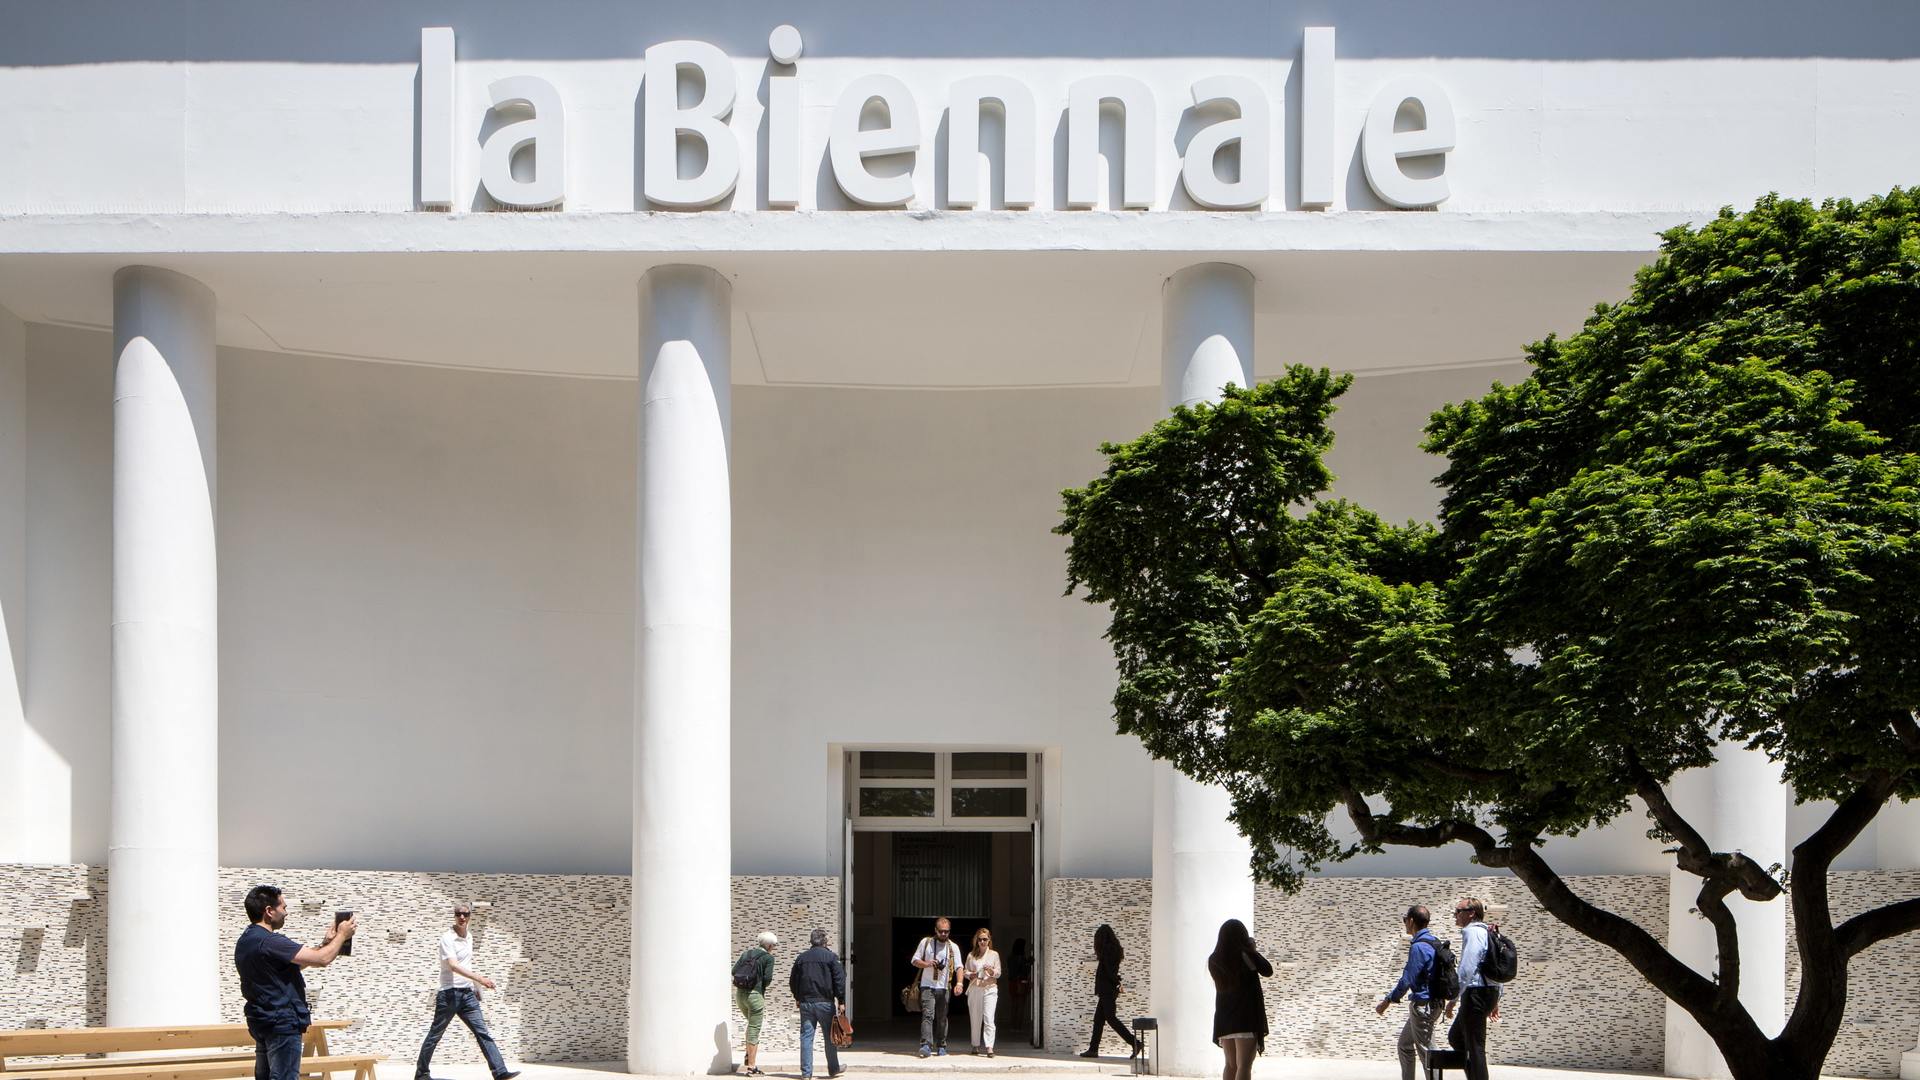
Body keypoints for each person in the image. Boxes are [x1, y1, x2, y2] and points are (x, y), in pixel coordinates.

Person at [234, 885, 356, 1080]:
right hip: (282, 1023)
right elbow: (322, 960)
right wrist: (342, 935)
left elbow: (294, 965)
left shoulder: (246, 940)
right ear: (269, 911)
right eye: (283, 907)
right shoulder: (271, 941)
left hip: (262, 1021)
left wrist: (325, 943)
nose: (286, 912)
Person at [415, 902, 520, 1080]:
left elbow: (466, 965)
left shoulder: (469, 937)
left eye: (465, 914)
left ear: (470, 916)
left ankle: (500, 1071)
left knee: (482, 1032)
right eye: (458, 914)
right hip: (449, 994)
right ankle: (421, 1073)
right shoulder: (447, 938)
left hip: (467, 994)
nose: (462, 917)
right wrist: (480, 979)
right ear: (454, 916)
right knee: (435, 1035)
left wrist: (476, 988)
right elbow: (454, 966)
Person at [1375, 905, 1439, 1080]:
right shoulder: (1434, 942)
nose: (1404, 924)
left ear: (1411, 921)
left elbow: (1407, 979)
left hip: (1422, 1006)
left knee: (1427, 1053)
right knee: (1404, 1045)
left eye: (1405, 920)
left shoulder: (1418, 947)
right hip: (1432, 1004)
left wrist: (1387, 1001)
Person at [1207, 919, 1272, 1080]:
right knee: (1244, 1065)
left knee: (1230, 1065)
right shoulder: (1246, 955)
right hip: (1245, 1018)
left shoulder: (1214, 959)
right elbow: (1267, 970)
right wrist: (1252, 950)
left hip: (1224, 1019)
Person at [1444, 897, 1498, 1080]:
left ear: (1471, 913)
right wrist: (1496, 997)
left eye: (1458, 912)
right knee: (1456, 1038)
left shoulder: (1472, 932)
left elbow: (1467, 968)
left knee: (1475, 1047)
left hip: (1475, 994)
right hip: (1486, 992)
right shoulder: (1489, 932)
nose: (1455, 916)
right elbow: (1493, 965)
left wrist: (1453, 999)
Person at [789, 927, 847, 1080]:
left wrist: (797, 997)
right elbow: (839, 980)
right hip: (825, 1003)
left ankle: (806, 1073)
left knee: (806, 1037)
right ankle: (833, 1069)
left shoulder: (801, 958)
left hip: (806, 1003)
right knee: (830, 1036)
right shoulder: (831, 957)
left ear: (811, 941)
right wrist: (841, 1000)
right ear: (825, 941)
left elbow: (793, 980)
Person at [1080, 924, 1141, 1059]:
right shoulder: (1114, 949)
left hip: (1107, 989)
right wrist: (1117, 981)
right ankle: (1093, 1049)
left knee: (1111, 1019)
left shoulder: (1107, 950)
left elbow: (1109, 971)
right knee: (1098, 1020)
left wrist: (1116, 981)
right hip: (1107, 990)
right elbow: (1112, 970)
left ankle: (1135, 1043)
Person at [910, 916, 963, 1058]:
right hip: (927, 986)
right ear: (935, 930)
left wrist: (959, 983)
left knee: (942, 1018)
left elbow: (959, 967)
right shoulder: (926, 942)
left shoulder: (953, 947)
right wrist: (927, 964)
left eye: (946, 931)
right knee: (928, 1014)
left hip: (944, 987)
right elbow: (914, 960)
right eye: (941, 931)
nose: (944, 934)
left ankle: (941, 1045)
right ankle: (926, 1045)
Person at [732, 931, 778, 1075]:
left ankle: (748, 1054)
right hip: (755, 996)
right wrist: (759, 987)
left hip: (740, 996)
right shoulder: (768, 958)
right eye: (774, 946)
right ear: (769, 945)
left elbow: (734, 971)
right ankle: (751, 1066)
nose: (774, 948)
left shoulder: (746, 954)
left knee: (751, 1025)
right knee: (754, 1028)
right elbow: (768, 979)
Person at [960, 927, 1001, 1057]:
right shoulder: (971, 955)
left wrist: (991, 971)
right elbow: (965, 971)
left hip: (990, 988)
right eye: (980, 939)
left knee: (989, 1018)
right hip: (975, 988)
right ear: (976, 941)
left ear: (989, 940)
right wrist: (970, 974)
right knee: (975, 1018)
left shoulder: (994, 954)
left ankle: (989, 1047)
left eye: (985, 939)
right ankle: (975, 1045)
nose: (982, 942)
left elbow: (999, 973)